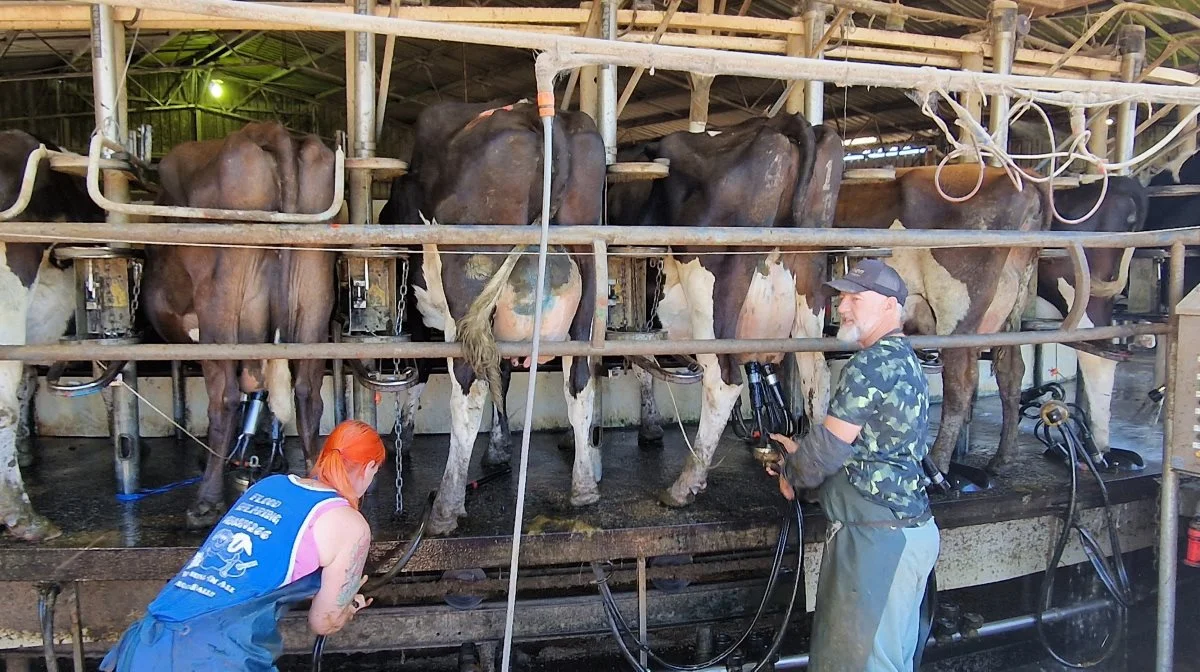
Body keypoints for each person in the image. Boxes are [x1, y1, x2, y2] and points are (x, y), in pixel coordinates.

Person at [101, 419, 385, 672]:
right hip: (209, 654)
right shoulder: (350, 524)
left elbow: (263, 565)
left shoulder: (269, 486)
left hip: (146, 642)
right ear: (370, 467)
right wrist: (347, 606)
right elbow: (324, 621)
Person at [767, 259, 940, 672]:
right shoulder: (903, 358)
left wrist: (792, 474)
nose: (842, 308)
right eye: (843, 297)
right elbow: (863, 444)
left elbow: (829, 446)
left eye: (855, 299)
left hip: (878, 542)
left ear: (888, 306)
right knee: (892, 660)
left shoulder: (871, 363)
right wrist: (802, 453)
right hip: (907, 532)